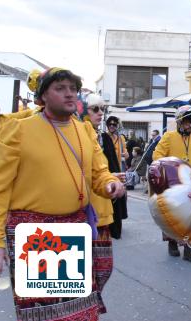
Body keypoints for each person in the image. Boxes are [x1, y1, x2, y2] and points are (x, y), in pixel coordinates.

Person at [0, 67, 125, 321]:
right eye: (60, 88)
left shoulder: (85, 131)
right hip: (34, 233)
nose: (70, 95)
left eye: (73, 89)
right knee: (45, 313)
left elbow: (100, 172)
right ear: (43, 96)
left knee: (81, 311)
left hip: (74, 227)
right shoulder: (17, 130)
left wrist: (110, 184)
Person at [76, 91, 116, 307]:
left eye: (103, 109)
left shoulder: (103, 137)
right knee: (80, 271)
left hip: (103, 211)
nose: (101, 113)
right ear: (82, 110)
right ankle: (88, 305)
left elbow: (103, 169)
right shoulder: (78, 133)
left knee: (103, 267)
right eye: (95, 109)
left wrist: (112, 179)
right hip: (81, 213)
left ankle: (91, 301)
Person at [153, 105, 191, 262]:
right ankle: (172, 243)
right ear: (180, 121)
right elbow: (157, 156)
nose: (189, 126)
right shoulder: (168, 136)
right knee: (172, 214)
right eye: (187, 122)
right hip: (172, 183)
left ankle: (188, 248)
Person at [101, 115, 128, 239]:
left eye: (114, 124)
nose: (112, 126)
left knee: (120, 195)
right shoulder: (103, 137)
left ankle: (118, 218)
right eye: (110, 124)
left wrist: (125, 154)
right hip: (108, 167)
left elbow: (126, 154)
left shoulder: (120, 138)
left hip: (119, 167)